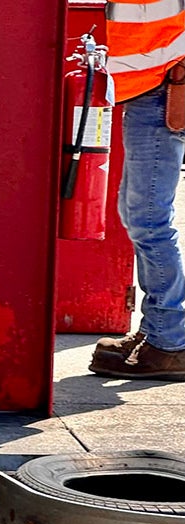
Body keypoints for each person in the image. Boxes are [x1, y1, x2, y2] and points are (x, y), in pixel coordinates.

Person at [89, 2, 185, 381]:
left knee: (149, 220)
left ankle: (170, 342)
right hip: (148, 87)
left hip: (165, 86)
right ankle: (156, 330)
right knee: (137, 215)